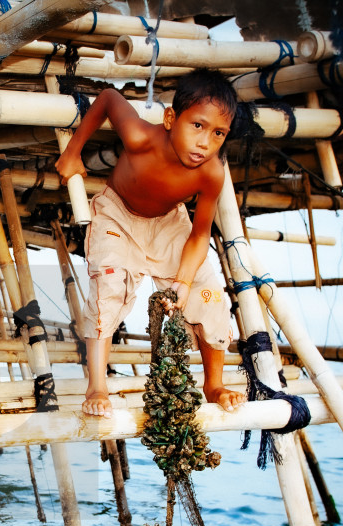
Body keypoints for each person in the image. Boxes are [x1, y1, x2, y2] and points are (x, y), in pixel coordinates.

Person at [54, 70, 247, 417]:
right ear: (171, 119)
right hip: (118, 213)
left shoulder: (212, 172)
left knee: (208, 290)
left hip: (168, 222)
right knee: (109, 285)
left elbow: (200, 235)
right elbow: (110, 98)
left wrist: (185, 282)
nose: (205, 142)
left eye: (218, 133)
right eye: (198, 126)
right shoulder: (140, 136)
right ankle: (97, 385)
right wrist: (73, 151)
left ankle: (213, 383)